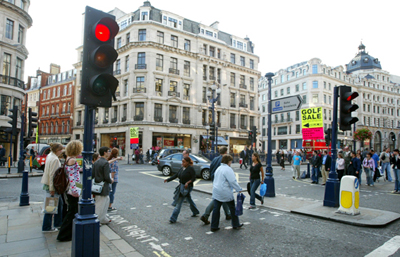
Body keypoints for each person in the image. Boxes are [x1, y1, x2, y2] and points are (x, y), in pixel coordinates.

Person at [57, 140, 83, 241]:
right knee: (72, 212)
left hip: (73, 188)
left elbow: (73, 172)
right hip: (73, 190)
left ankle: (67, 233)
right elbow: (72, 177)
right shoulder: (72, 159)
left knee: (72, 211)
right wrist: (75, 191)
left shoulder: (69, 158)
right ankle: (64, 234)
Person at [211, 155, 243, 232]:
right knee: (232, 208)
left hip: (216, 191)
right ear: (228, 161)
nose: (231, 163)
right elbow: (232, 181)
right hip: (225, 191)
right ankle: (236, 224)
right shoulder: (228, 169)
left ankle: (214, 226)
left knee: (216, 209)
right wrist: (239, 189)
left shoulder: (218, 168)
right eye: (231, 161)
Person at [200, 147, 231, 225]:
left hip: (215, 181)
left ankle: (228, 214)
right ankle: (205, 215)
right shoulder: (225, 160)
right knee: (217, 199)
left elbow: (211, 169)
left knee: (222, 198)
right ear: (226, 152)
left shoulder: (214, 159)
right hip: (222, 182)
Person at [164, 156, 199, 223]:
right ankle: (195, 211)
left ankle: (173, 218)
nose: (182, 163)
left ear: (188, 163)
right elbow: (176, 175)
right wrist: (168, 179)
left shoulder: (190, 169)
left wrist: (187, 183)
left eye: (184, 162)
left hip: (187, 187)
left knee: (179, 203)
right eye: (182, 161)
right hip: (182, 186)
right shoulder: (182, 168)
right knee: (189, 199)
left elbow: (194, 178)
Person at [40, 143, 64, 233]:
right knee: (50, 206)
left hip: (49, 184)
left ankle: (58, 224)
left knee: (58, 204)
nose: (61, 151)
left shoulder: (50, 156)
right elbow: (53, 175)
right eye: (60, 149)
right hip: (52, 186)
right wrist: (52, 189)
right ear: (57, 150)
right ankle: (47, 227)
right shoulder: (54, 159)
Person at [93, 147, 113, 224]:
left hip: (97, 185)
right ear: (104, 153)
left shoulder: (97, 162)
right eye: (109, 151)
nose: (109, 152)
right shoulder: (105, 163)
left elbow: (93, 174)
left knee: (104, 201)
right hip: (103, 186)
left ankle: (103, 218)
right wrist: (110, 180)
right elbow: (106, 176)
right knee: (101, 204)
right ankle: (97, 220)